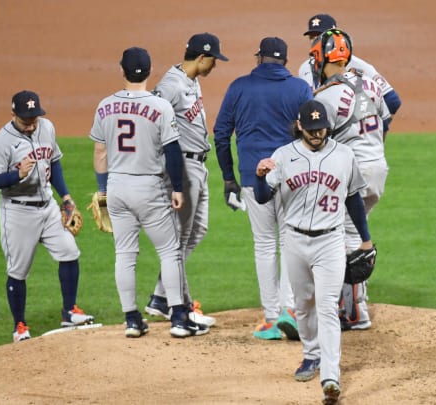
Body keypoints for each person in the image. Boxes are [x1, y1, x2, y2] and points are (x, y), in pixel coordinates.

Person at [253, 99, 376, 404]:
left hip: (330, 242)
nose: (316, 134)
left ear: (327, 127)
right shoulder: (283, 156)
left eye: (320, 128)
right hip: (294, 241)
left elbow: (354, 200)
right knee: (304, 305)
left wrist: (365, 239)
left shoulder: (344, 156)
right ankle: (311, 355)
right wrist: (259, 176)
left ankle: (330, 377)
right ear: (300, 127)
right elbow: (261, 197)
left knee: (326, 306)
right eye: (310, 129)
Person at [90, 47, 208, 339]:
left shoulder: (105, 106)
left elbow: (100, 153)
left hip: (117, 186)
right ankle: (179, 318)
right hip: (150, 188)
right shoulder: (160, 106)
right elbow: (171, 152)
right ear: (149, 71)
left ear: (122, 71)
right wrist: (178, 188)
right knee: (169, 251)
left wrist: (103, 189)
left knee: (125, 254)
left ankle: (132, 320)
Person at [214, 37, 313, 340]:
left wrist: (228, 178)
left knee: (264, 244)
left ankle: (271, 318)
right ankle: (290, 311)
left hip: (249, 177)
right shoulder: (299, 88)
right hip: (291, 178)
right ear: (284, 61)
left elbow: (220, 134)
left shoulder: (238, 87)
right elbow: (312, 131)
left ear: (259, 59)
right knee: (289, 242)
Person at [0, 90, 95, 343]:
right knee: (18, 270)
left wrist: (66, 198)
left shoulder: (46, 128)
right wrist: (16, 175)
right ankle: (20, 326)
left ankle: (69, 311)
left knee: (70, 252)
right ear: (13, 114)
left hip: (48, 207)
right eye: (25, 119)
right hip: (18, 211)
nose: (31, 123)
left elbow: (54, 162)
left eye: (34, 117)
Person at [308, 28, 393, 331]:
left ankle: (355, 312)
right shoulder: (369, 82)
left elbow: (316, 138)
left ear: (322, 59)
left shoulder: (327, 96)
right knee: (353, 232)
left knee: (348, 239)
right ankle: (352, 305)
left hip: (355, 173)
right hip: (378, 165)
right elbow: (386, 114)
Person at [143, 33, 229, 328]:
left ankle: (160, 296)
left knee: (197, 230)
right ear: (202, 57)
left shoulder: (191, 80)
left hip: (198, 166)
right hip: (182, 167)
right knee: (177, 241)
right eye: (214, 60)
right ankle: (182, 307)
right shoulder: (170, 85)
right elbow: (150, 120)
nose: (215, 65)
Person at [298, 13, 402, 119]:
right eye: (312, 37)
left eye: (320, 35)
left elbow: (392, 101)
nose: (315, 40)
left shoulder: (359, 65)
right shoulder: (304, 68)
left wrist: (375, 129)